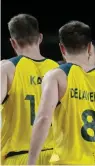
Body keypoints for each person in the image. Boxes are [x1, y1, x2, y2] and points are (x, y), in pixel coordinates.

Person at [27, 20, 95, 165]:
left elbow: (43, 119)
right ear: (89, 48)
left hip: (71, 161)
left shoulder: (57, 76)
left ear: (62, 48)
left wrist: (31, 162)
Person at [1, 14, 58, 165]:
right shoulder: (59, 70)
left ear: (13, 43)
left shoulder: (7, 69)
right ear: (40, 38)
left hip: (19, 157)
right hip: (56, 157)